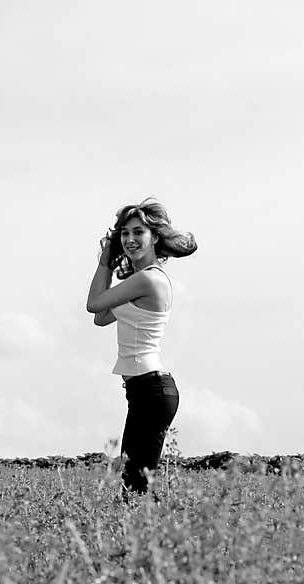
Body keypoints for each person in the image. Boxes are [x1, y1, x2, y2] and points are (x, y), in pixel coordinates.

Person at [86, 198, 197, 497]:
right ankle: (148, 539)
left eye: (138, 232)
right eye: (124, 233)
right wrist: (111, 265)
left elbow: (93, 303)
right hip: (144, 390)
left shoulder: (148, 279)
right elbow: (101, 317)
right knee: (133, 483)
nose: (130, 239)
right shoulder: (138, 280)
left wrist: (104, 262)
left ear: (155, 237)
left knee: (134, 486)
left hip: (152, 390)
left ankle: (155, 539)